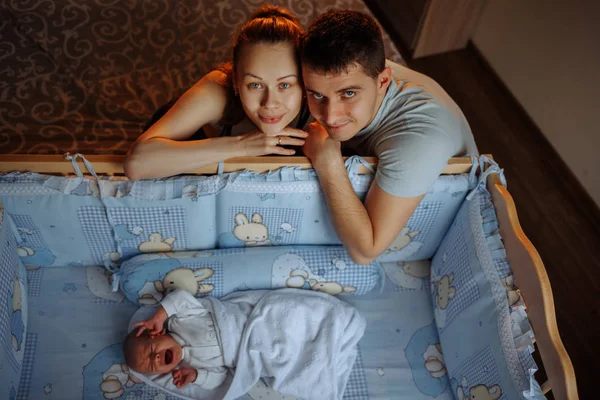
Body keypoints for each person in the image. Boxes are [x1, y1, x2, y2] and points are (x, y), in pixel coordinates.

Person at [300, 10, 478, 265]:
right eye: (316, 95)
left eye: (348, 94)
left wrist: (328, 161)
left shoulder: (417, 140)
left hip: (430, 236)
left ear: (383, 81)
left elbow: (366, 251)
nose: (330, 116)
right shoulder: (356, 71)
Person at [124, 5, 310, 180]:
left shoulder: (319, 101)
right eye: (255, 85)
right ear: (236, 82)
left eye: (285, 85)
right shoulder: (217, 89)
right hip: (171, 137)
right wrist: (241, 145)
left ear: (304, 81)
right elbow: (136, 164)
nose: (270, 103)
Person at [124, 288, 365, 399]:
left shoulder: (180, 322)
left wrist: (159, 316)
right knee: (286, 359)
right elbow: (220, 378)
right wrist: (196, 376)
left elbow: (181, 299)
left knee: (292, 323)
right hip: (254, 352)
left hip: (255, 323)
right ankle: (320, 356)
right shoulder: (189, 365)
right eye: (153, 366)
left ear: (156, 335)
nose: (156, 359)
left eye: (151, 351)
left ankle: (326, 330)